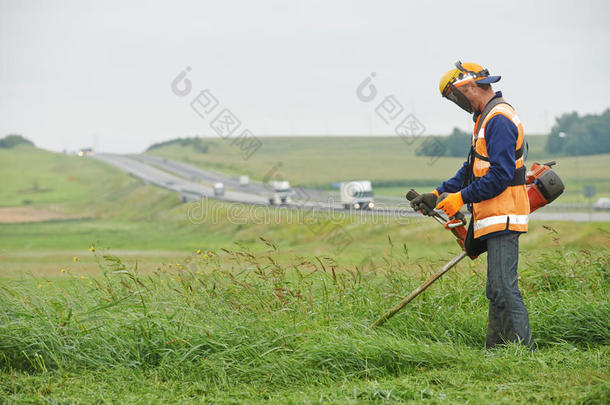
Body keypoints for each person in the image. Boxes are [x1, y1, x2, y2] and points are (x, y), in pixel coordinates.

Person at [410, 61, 533, 349]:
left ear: (471, 87)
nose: (457, 102)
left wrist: (461, 198)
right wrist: (437, 194)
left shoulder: (499, 119)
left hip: (504, 214)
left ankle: (524, 353)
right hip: (491, 215)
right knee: (495, 290)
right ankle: (497, 351)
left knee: (505, 289)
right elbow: (471, 171)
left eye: (455, 95)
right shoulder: (484, 117)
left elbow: (500, 176)